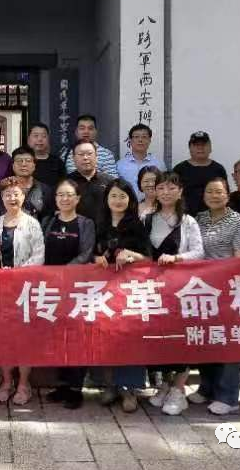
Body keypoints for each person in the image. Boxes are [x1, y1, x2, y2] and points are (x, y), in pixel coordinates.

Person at [144, 172, 204, 416]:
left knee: (180, 338)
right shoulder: (147, 219)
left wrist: (177, 258)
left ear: (180, 192)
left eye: (171, 188)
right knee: (158, 338)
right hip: (154, 289)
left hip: (181, 287)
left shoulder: (188, 222)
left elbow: (199, 252)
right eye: (161, 188)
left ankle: (179, 390)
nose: (166, 192)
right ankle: (165, 385)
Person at [192, 178, 240, 415]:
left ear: (227, 195)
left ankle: (229, 397)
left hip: (229, 289)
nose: (214, 196)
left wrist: (221, 277)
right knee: (207, 338)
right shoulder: (199, 218)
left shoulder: (238, 221)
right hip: (203, 290)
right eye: (210, 191)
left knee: (230, 342)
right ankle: (207, 387)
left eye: (219, 192)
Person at [0, 176, 45, 405]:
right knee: (3, 338)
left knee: (24, 338)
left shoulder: (32, 224)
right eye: (7, 194)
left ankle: (23, 384)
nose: (12, 198)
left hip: (24, 289)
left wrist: (17, 273)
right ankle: (7, 381)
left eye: (16, 194)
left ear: (23, 196)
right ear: (2, 198)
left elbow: (38, 256)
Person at [93, 179, 151, 413]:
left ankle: (130, 389)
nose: (118, 201)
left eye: (123, 196)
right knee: (105, 336)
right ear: (106, 199)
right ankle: (110, 385)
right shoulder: (99, 223)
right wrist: (96, 258)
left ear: (130, 200)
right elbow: (92, 252)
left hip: (130, 290)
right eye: (114, 196)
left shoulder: (137, 224)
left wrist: (131, 255)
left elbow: (148, 257)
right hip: (103, 291)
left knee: (129, 337)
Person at [42, 179, 96, 409]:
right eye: (60, 195)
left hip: (77, 288)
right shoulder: (48, 221)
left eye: (69, 195)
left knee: (76, 337)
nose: (65, 199)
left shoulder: (86, 223)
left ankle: (76, 387)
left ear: (77, 198)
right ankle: (62, 384)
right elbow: (42, 251)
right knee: (57, 336)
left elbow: (86, 253)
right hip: (52, 289)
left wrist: (65, 273)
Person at [172, 131, 227, 217]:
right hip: (185, 217)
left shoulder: (219, 169)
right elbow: (173, 194)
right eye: (196, 145)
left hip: (214, 218)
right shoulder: (179, 169)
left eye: (203, 145)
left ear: (210, 147)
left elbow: (225, 194)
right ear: (190, 148)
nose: (200, 148)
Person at [67, 139, 113, 223]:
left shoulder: (110, 182)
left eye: (89, 154)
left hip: (105, 229)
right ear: (73, 158)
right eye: (81, 154)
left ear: (96, 157)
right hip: (77, 229)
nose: (85, 158)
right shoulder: (66, 184)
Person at [117, 124, 165, 201]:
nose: (140, 140)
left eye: (144, 137)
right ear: (130, 140)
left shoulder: (159, 164)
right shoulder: (120, 165)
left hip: (152, 205)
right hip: (128, 205)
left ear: (149, 140)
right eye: (136, 137)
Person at [11, 146, 54, 221]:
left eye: (28, 161)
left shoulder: (45, 190)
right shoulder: (5, 189)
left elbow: (48, 220)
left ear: (34, 165)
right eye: (19, 161)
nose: (23, 164)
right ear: (13, 166)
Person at [27, 122, 66, 187]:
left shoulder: (58, 162)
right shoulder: (23, 162)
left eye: (44, 136)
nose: (40, 139)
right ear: (28, 140)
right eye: (36, 136)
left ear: (48, 139)